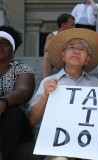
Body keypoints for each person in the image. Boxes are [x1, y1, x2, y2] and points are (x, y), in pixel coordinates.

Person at [29, 28, 98, 160]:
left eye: (82, 49)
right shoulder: (48, 82)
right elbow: (32, 120)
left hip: (91, 145)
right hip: (58, 146)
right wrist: (46, 96)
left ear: (87, 59)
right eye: (72, 47)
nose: (76, 51)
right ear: (62, 56)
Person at [0, 26, 35, 160]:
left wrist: (4, 102)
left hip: (18, 123)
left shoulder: (22, 68)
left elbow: (24, 91)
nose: (0, 46)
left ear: (13, 49)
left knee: (12, 111)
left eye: (4, 43)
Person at [43, 13, 75, 78]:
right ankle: (45, 79)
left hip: (71, 58)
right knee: (47, 55)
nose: (74, 27)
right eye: (72, 25)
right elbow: (46, 49)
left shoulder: (75, 36)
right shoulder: (52, 35)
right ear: (63, 25)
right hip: (58, 60)